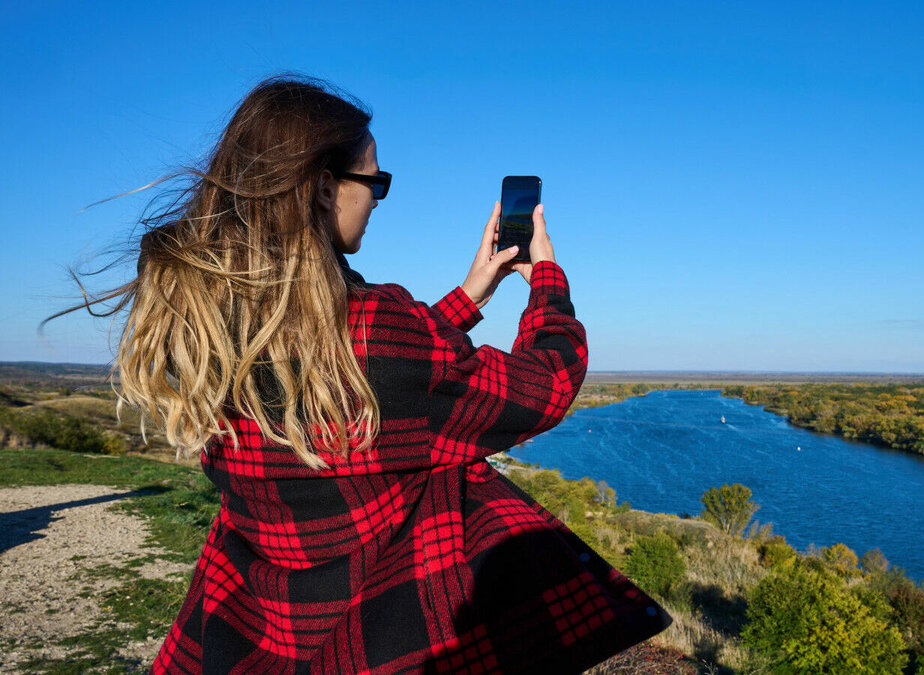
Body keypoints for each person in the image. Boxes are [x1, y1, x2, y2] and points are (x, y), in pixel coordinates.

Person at [56, 76, 670, 673]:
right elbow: (543, 387)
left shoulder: (203, 322)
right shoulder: (374, 332)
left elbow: (368, 365)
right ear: (324, 188)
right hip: (378, 628)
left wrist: (471, 293)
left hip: (262, 619)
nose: (377, 198)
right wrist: (547, 281)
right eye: (374, 182)